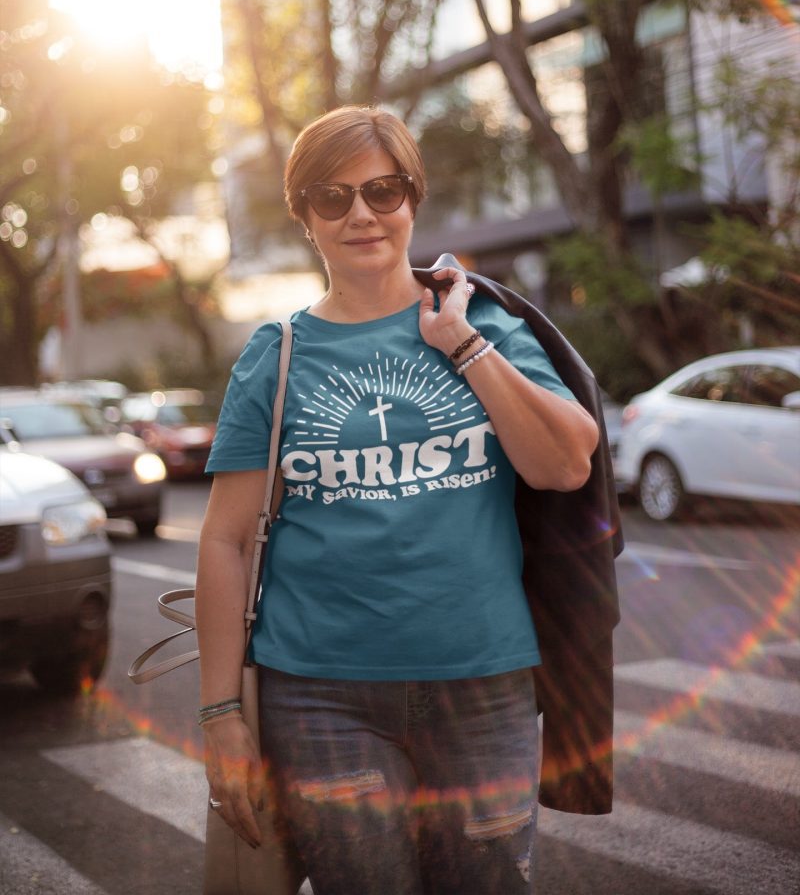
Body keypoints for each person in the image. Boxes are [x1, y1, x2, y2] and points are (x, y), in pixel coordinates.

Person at [197, 105, 603, 895]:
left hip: (482, 685)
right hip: (319, 698)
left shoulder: (483, 321)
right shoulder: (274, 357)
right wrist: (221, 716)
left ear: (413, 198)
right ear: (303, 216)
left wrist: (462, 344)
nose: (360, 214)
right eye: (331, 196)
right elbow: (224, 541)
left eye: (382, 190)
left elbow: (565, 464)